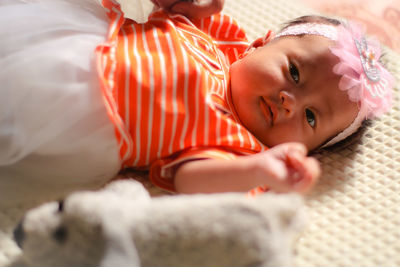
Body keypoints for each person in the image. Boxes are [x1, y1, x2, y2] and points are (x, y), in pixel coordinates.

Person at [0, 0, 394, 203]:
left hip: (87, 115)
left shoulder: (240, 148)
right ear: (260, 44)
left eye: (310, 116)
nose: (289, 101)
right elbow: (171, 9)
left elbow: (190, 179)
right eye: (293, 72)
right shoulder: (221, 39)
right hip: (85, 36)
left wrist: (260, 171)